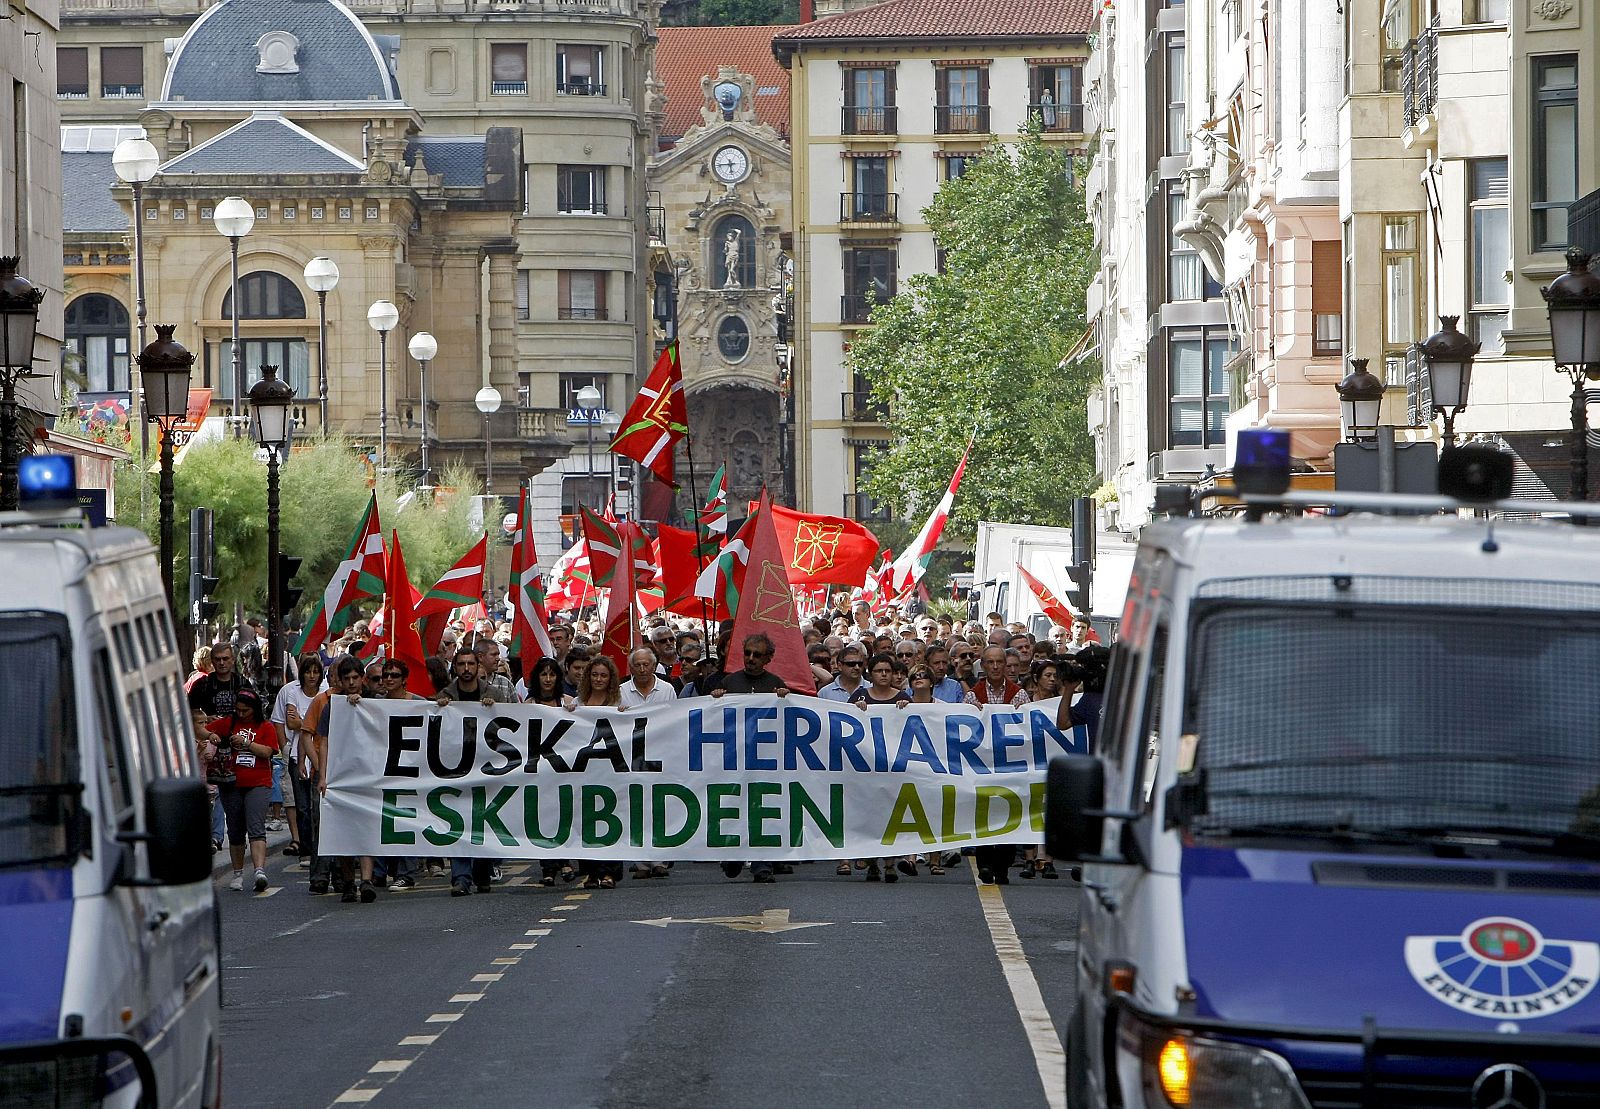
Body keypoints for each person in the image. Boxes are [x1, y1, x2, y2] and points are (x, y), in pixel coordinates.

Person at [712, 634, 790, 883]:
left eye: (757, 655)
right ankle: (733, 857)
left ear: (768, 658)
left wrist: (784, 699)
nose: (751, 659)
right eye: (747, 653)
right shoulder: (730, 682)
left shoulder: (776, 683)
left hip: (766, 759)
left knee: (763, 808)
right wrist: (716, 698)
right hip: (734, 757)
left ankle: (762, 864)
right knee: (736, 806)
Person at [435, 650, 503, 896]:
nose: (466, 668)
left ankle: (482, 873)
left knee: (482, 821)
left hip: (486, 767)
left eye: (470, 663)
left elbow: (511, 726)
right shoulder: (445, 696)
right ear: (455, 667)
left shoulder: (493, 694)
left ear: (477, 666)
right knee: (458, 822)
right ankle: (461, 878)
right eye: (461, 663)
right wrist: (440, 709)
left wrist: (494, 710)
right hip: (456, 768)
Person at [203, 688, 279, 894]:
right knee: (235, 830)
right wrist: (211, 735)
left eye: (245, 710)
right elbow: (200, 729)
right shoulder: (229, 722)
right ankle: (237, 873)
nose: (241, 714)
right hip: (231, 782)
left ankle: (259, 871)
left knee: (256, 827)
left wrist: (246, 743)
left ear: (254, 709)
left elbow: (268, 751)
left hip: (258, 781)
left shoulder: (266, 726)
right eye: (238, 710)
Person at [270, 652, 324, 860]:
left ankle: (320, 847)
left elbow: (324, 723)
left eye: (316, 672)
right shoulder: (292, 692)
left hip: (320, 754)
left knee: (317, 805)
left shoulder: (325, 693)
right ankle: (306, 849)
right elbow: (291, 723)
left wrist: (305, 722)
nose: (312, 676)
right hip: (296, 755)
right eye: (308, 672)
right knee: (302, 806)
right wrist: (312, 724)